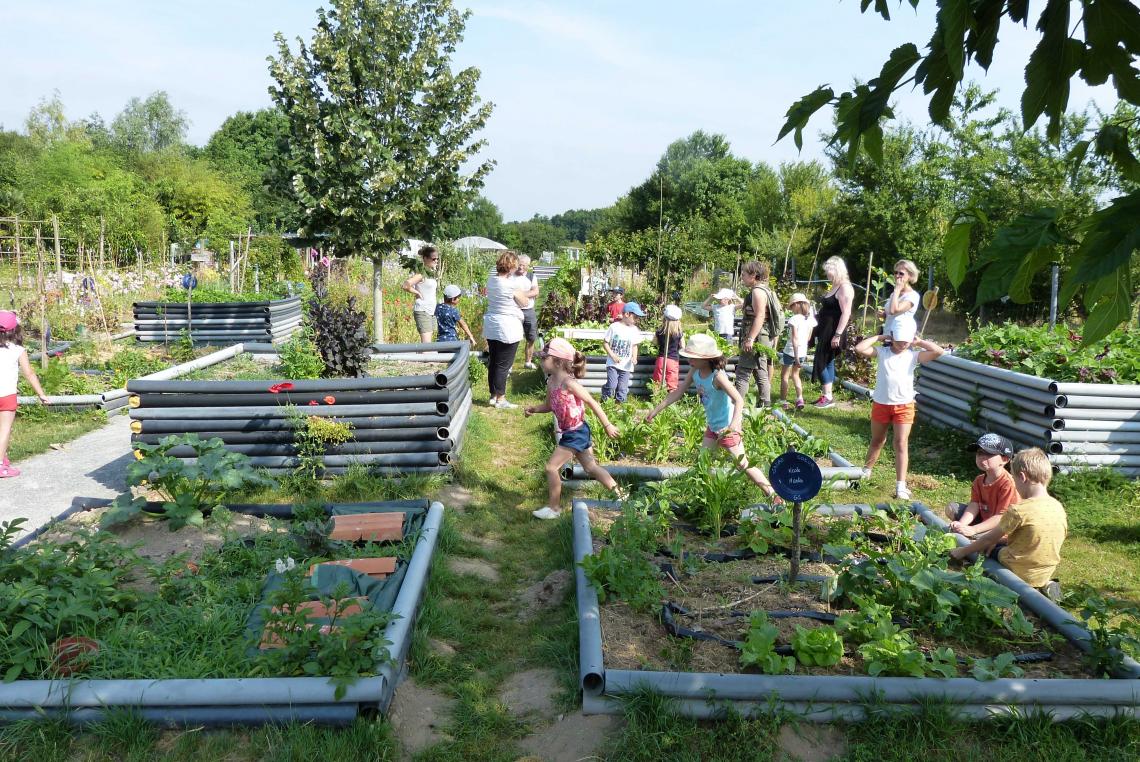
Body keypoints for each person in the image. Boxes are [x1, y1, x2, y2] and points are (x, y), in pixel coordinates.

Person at [645, 333, 782, 502]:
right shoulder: (695, 370)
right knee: (703, 462)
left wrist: (734, 425)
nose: (690, 360)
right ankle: (707, 498)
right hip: (713, 426)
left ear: (707, 359)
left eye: (693, 357)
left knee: (743, 464)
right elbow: (678, 392)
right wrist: (656, 410)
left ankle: (773, 495)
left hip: (726, 428)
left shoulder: (718, 377)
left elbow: (739, 400)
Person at [949, 447, 1067, 602]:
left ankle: (1002, 580)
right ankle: (1047, 584)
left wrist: (962, 551)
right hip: (1045, 570)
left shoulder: (1019, 510)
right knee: (1001, 543)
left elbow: (987, 540)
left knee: (985, 547)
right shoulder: (1058, 507)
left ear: (1022, 477)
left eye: (1015, 479)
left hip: (1017, 568)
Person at [526, 338, 625, 520]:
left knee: (551, 467)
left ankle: (554, 509)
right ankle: (620, 495)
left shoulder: (569, 384)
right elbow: (549, 405)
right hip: (572, 432)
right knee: (591, 467)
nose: (540, 361)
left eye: (544, 358)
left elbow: (591, 401)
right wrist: (535, 409)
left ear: (557, 361)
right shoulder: (551, 382)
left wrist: (607, 425)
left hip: (576, 432)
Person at [855, 323, 945, 500]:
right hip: (882, 403)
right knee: (877, 440)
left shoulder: (914, 355)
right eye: (899, 340)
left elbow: (938, 352)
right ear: (892, 337)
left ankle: (900, 486)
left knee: (901, 443)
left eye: (906, 340)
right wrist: (881, 337)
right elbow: (860, 348)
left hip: (904, 406)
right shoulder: (882, 353)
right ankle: (866, 471)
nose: (903, 344)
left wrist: (919, 342)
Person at [0, 311, 49, 478]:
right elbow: (29, 373)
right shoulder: (18, 350)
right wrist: (41, 394)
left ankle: (2, 457)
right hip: (7, 395)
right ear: (15, 331)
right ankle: (1, 466)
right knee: (4, 429)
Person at [482, 251, 532, 409]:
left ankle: (493, 395)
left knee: (494, 362)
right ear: (511, 267)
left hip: (492, 324)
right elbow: (524, 302)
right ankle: (501, 399)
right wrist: (522, 295)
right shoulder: (511, 285)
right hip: (508, 326)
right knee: (504, 365)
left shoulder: (491, 280)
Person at [946, 433, 1019, 538]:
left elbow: (1001, 517)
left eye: (989, 454)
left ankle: (977, 536)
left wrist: (974, 529)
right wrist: (962, 524)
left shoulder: (1007, 484)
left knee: (978, 540)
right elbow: (974, 505)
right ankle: (972, 532)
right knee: (952, 508)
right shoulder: (979, 480)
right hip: (986, 520)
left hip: (1002, 529)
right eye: (979, 453)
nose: (982, 457)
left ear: (1005, 459)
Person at [810, 256, 854, 408]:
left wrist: (838, 334)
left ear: (837, 271)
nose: (827, 275)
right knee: (828, 361)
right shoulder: (835, 286)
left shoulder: (845, 288)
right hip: (825, 329)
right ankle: (826, 395)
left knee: (820, 361)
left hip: (833, 331)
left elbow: (846, 313)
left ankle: (828, 397)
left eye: (829, 272)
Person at [736, 261, 781, 408]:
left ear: (754, 275)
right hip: (762, 336)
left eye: (744, 274)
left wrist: (750, 339)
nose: (741, 277)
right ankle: (765, 404)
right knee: (760, 371)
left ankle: (736, 406)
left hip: (756, 336)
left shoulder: (757, 292)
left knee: (743, 371)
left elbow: (760, 316)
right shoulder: (762, 290)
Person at [601, 302, 644, 403]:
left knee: (622, 388)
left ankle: (619, 406)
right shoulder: (614, 327)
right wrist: (612, 355)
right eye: (635, 317)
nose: (637, 320)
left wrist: (634, 357)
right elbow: (605, 343)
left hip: (626, 366)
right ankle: (605, 401)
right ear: (627, 314)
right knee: (612, 385)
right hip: (613, 364)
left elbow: (634, 345)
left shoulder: (634, 330)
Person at [778, 292, 815, 410]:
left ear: (797, 305)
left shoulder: (794, 319)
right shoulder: (810, 319)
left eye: (792, 306)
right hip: (803, 351)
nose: (792, 309)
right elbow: (809, 338)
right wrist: (800, 356)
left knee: (784, 376)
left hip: (791, 351)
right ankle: (800, 398)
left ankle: (783, 400)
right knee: (795, 375)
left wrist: (796, 356)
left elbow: (794, 338)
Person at [401, 245, 440, 343]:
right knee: (426, 345)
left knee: (428, 344)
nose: (436, 261)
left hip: (430, 311)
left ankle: (422, 357)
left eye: (437, 259)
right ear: (425, 258)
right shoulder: (421, 274)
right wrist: (417, 292)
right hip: (423, 310)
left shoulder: (430, 274)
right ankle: (423, 358)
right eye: (433, 259)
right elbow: (405, 285)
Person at [880, 259, 921, 337]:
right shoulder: (894, 294)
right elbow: (892, 315)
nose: (897, 276)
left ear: (910, 276)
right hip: (888, 335)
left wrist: (897, 289)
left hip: (901, 339)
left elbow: (894, 310)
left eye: (901, 273)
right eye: (896, 273)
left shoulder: (912, 296)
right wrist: (884, 314)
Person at [515, 255, 541, 369]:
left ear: (527, 266)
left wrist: (520, 294)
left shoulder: (531, 276)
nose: (520, 267)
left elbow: (535, 292)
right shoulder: (512, 275)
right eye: (519, 264)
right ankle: (509, 364)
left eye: (523, 265)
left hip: (529, 310)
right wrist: (526, 293)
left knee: (531, 337)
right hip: (514, 310)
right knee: (513, 338)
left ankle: (528, 362)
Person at [652, 304, 683, 392]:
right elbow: (682, 346)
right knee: (672, 383)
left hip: (661, 359)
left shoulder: (660, 331)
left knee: (657, 381)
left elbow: (654, 343)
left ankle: (656, 399)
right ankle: (671, 400)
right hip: (673, 360)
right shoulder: (679, 332)